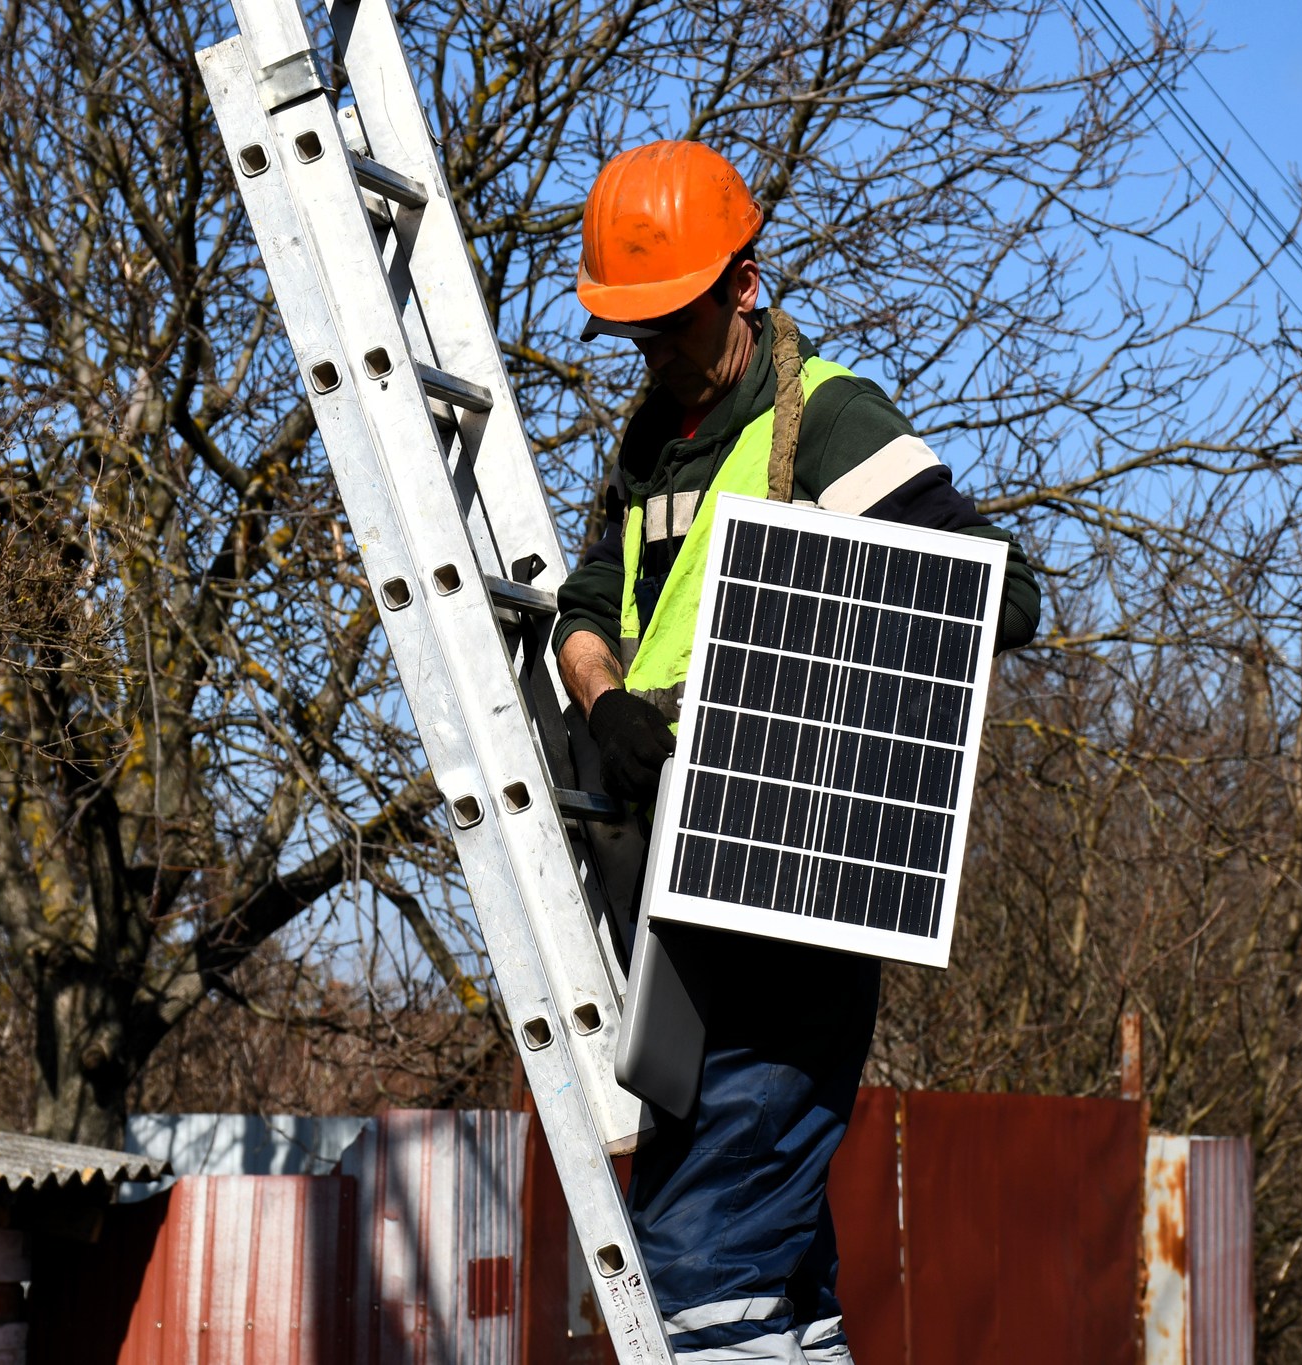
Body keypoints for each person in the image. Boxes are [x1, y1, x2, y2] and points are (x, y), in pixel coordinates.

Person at [553, 140, 1040, 1364]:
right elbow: (586, 606)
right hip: (679, 891)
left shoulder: (825, 418)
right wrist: (605, 703)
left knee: (700, 1258)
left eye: (670, 319)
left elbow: (999, 595)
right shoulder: (651, 443)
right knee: (762, 1253)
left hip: (788, 879)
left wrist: (775, 697)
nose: (651, 347)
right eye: (632, 327)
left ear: (742, 285)